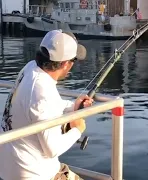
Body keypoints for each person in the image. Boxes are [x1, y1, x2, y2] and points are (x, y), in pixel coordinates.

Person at [0, 29, 94, 180]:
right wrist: (77, 129)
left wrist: (72, 107)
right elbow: (53, 149)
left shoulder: (31, 68)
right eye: (73, 61)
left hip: (10, 167)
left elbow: (41, 107)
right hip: (34, 174)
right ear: (65, 64)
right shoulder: (42, 91)